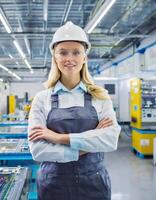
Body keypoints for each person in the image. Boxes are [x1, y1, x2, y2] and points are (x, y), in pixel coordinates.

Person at [28, 21, 121, 200]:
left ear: (84, 57)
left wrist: (58, 138)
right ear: (55, 57)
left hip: (94, 183)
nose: (69, 58)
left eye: (76, 52)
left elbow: (110, 140)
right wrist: (91, 140)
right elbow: (38, 150)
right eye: (63, 52)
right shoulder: (42, 98)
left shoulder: (100, 96)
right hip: (53, 184)